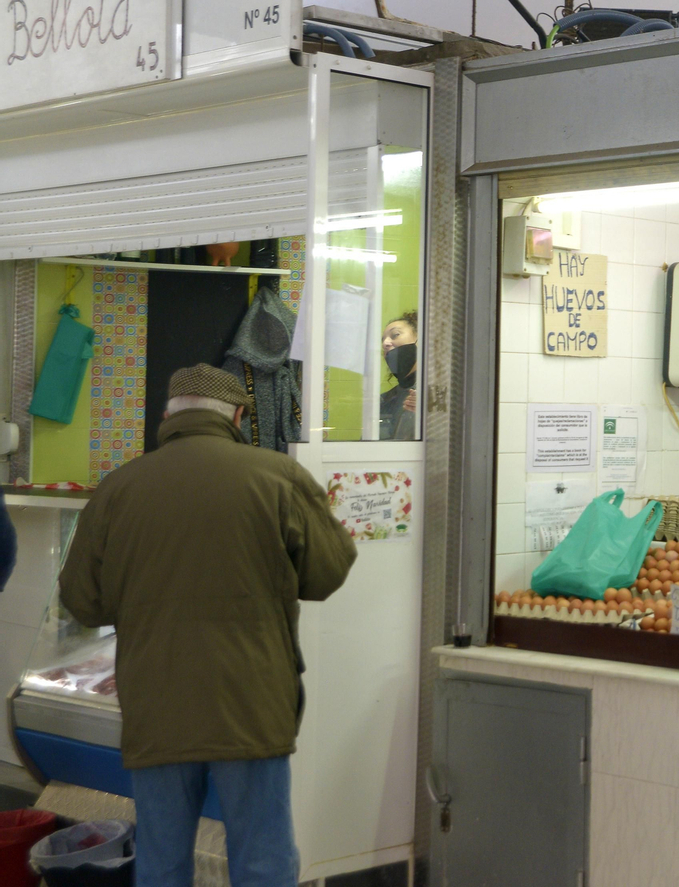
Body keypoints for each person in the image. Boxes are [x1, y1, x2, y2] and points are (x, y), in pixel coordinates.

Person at [60, 364, 357, 887]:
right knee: (263, 858)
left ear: (167, 416)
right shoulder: (279, 477)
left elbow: (83, 603)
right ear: (239, 416)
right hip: (252, 702)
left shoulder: (118, 488)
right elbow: (326, 574)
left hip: (157, 701)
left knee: (162, 860)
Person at [379, 311, 419, 440]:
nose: (385, 343)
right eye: (383, 340)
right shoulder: (385, 400)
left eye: (395, 335)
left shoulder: (443, 394)